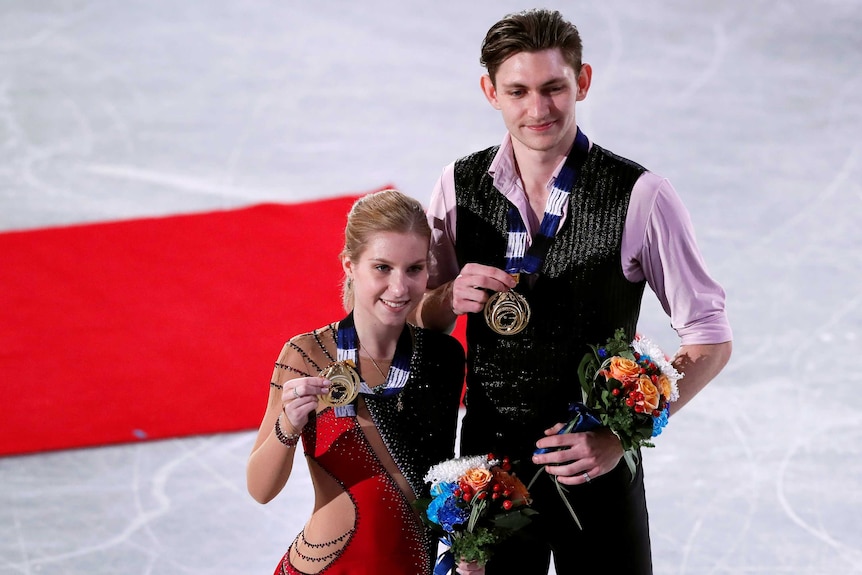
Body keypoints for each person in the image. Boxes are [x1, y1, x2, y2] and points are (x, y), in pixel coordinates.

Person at [414, 8, 733, 575]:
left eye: (554, 87)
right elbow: (422, 323)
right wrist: (443, 299)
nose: (538, 109)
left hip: (600, 471)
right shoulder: (456, 187)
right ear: (490, 91)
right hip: (490, 478)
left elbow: (709, 340)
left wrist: (617, 434)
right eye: (518, 91)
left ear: (582, 82)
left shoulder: (641, 196)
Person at [247, 189, 465, 575]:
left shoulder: (442, 358)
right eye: (382, 267)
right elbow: (260, 490)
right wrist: (288, 424)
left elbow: (445, 477)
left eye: (414, 269)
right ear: (350, 265)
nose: (399, 289)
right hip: (329, 567)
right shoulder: (306, 355)